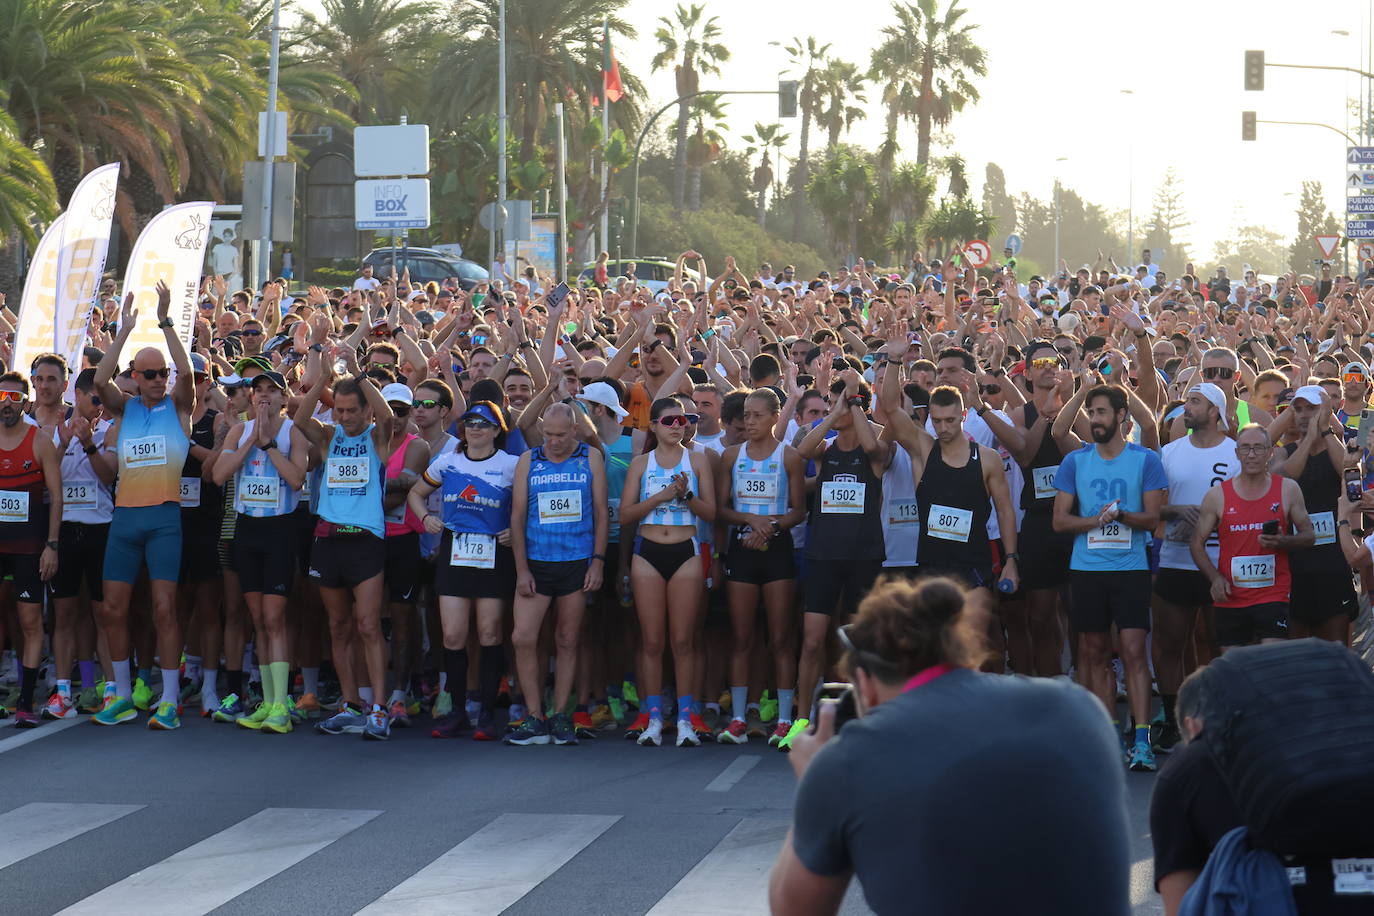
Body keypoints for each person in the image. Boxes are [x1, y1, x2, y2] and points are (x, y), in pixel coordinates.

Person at [769, 576, 1130, 916]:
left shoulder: (848, 760)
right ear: (962, 653)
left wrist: (813, 779)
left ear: (864, 682)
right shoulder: (1077, 706)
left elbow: (794, 908)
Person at [92, 283, 196, 730]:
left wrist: (166, 318)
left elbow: (188, 375)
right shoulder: (126, 408)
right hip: (125, 520)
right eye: (148, 373)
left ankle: (169, 699)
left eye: (161, 374)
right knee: (113, 609)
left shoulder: (179, 407)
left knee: (164, 609)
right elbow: (99, 380)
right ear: (135, 375)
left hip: (164, 520)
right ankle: (120, 694)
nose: (156, 380)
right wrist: (125, 330)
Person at [1052, 381, 1167, 771]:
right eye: (1091, 413)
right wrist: (1094, 521)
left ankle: (1142, 739)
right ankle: (1112, 736)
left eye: (1101, 412)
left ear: (1121, 416)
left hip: (1131, 569)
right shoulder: (1075, 462)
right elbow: (1060, 520)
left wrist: (1122, 516)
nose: (1095, 420)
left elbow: (1154, 519)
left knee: (1134, 653)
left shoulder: (1145, 460)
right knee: (1095, 654)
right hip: (1087, 571)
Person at [294, 354, 397, 741]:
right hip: (328, 538)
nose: (345, 417)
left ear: (365, 408)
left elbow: (387, 417)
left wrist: (360, 372)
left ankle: (379, 708)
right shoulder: (328, 435)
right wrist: (322, 376)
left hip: (365, 540)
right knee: (338, 626)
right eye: (339, 410)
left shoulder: (376, 437)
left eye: (352, 410)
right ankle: (351, 704)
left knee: (368, 624)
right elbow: (301, 420)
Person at [406, 401, 518, 742]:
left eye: (483, 424)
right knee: (453, 636)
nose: (475, 428)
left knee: (489, 635)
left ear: (497, 431)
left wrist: (517, 528)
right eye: (470, 422)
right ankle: (457, 710)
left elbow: (528, 505)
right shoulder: (448, 461)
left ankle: (485, 713)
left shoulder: (512, 465)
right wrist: (426, 518)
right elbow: (415, 493)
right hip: (455, 550)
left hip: (494, 554)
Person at [791, 371, 888, 750]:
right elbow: (801, 451)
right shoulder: (826, 448)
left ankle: (859, 716)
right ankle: (802, 718)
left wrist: (856, 402)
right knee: (813, 641)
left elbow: (874, 448)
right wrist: (832, 414)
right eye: (836, 402)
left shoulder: (877, 447)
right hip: (824, 556)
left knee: (857, 643)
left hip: (864, 557)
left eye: (847, 402)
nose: (840, 408)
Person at [209, 370, 308, 734]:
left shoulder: (291, 432)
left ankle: (282, 704)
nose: (265, 396)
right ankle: (268, 702)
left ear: (284, 398)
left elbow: (298, 478)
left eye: (272, 390)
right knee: (257, 618)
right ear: (251, 398)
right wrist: (251, 440)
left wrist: (268, 445)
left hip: (280, 529)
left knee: (275, 617)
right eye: (259, 390)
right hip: (246, 530)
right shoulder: (239, 431)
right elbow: (219, 476)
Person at [505, 403, 608, 746]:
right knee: (523, 637)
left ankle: (561, 713)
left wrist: (597, 561)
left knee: (567, 639)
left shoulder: (589, 458)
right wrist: (521, 569)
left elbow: (601, 514)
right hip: (536, 560)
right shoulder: (529, 460)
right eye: (548, 434)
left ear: (575, 431)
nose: (554, 442)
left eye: (561, 435)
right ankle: (534, 715)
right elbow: (517, 517)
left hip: (576, 560)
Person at [617, 396, 716, 747]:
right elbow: (625, 515)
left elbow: (712, 514)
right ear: (655, 425)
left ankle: (687, 719)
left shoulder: (699, 460)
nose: (679, 426)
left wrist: (687, 495)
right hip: (648, 552)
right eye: (670, 421)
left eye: (684, 420)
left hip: (685, 550)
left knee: (683, 640)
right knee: (652, 641)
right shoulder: (641, 463)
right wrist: (660, 497)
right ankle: (654, 717)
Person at [714, 387, 806, 746]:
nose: (748, 422)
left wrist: (770, 528)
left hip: (777, 548)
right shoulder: (731, 456)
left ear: (773, 417)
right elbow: (722, 509)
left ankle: (784, 719)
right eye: (745, 415)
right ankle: (738, 717)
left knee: (781, 638)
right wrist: (752, 520)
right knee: (741, 637)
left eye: (756, 415)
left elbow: (799, 509)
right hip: (742, 547)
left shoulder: (790, 456)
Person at [1151, 383, 1239, 752]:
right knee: (1169, 643)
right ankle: (1173, 721)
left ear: (1215, 411)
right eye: (1187, 400)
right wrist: (1175, 512)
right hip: (1175, 560)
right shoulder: (1169, 452)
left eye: (1195, 401)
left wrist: (1211, 517)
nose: (1187, 407)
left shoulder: (1237, 453)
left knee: (1217, 643)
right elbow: (1152, 507)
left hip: (1222, 564)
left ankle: (1219, 718)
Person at [1191, 424, 1314, 652]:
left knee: (1272, 659)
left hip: (1273, 593)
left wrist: (1283, 541)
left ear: (1270, 453)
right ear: (1237, 453)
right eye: (1245, 448)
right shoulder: (1217, 496)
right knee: (1234, 666)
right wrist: (1214, 578)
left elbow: (1309, 536)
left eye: (1258, 448)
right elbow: (1196, 543)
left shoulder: (1287, 489)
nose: (1251, 454)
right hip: (1231, 596)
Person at [44, 368, 116, 720]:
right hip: (67, 530)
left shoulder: (109, 431)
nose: (100, 405)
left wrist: (88, 442)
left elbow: (109, 476)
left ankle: (112, 691)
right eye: (95, 398)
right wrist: (62, 441)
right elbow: (49, 479)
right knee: (65, 614)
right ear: (80, 396)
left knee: (104, 613)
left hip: (101, 529)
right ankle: (63, 692)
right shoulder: (62, 429)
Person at [1270, 386, 1359, 644]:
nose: (1303, 414)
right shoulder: (1283, 452)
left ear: (1325, 412)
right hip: (1296, 560)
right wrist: (1307, 439)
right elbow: (1286, 476)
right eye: (1297, 409)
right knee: (1296, 643)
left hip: (1332, 560)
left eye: (1311, 408)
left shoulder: (1337, 445)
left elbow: (1347, 471)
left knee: (1335, 644)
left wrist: (1325, 429)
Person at [0, 372, 63, 727]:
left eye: (13, 397)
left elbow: (56, 497)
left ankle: (25, 702)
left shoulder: (39, 442)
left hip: (28, 547)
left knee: (29, 622)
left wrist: (51, 546)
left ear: (26, 403)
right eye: (0, 396)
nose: (6, 403)